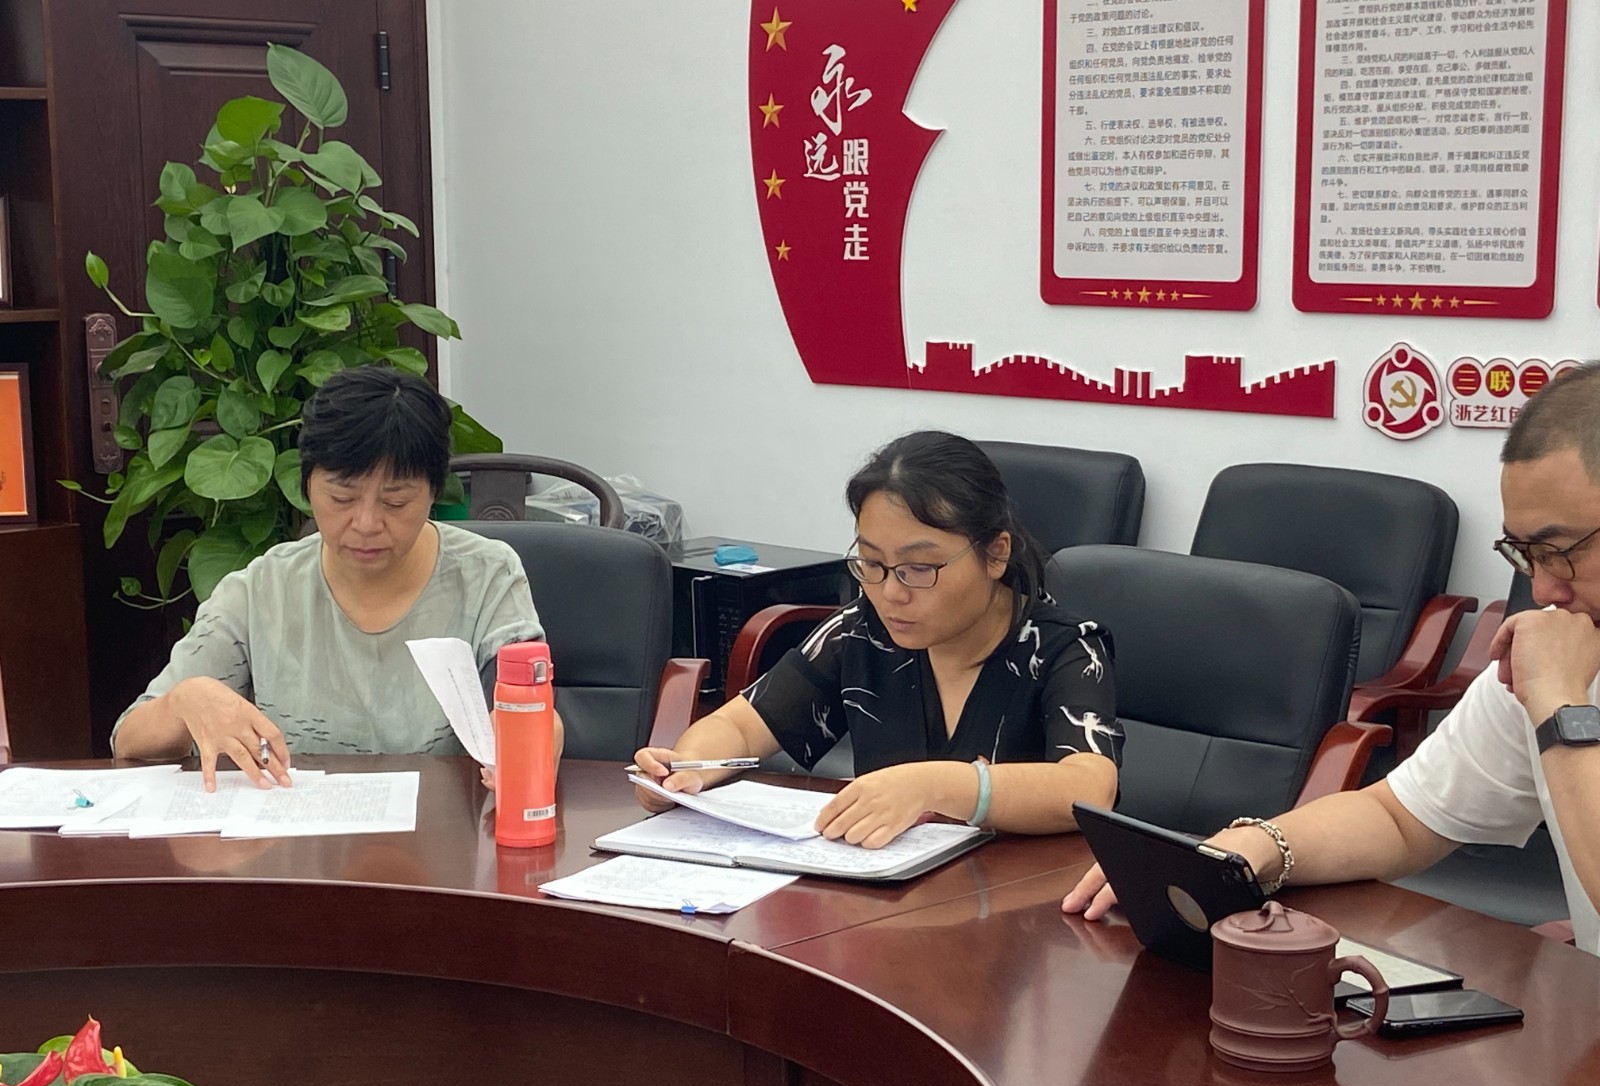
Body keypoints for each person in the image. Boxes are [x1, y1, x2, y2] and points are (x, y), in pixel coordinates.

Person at [1064, 362, 1600, 956]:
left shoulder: (1555, 680)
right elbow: (1399, 818)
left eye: (1560, 551)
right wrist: (1250, 849)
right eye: (1524, 554)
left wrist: (1562, 707)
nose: (1544, 591)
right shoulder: (1552, 656)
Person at [632, 430, 1123, 847]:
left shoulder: (1065, 648)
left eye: (919, 568)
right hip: (882, 901)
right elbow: (741, 727)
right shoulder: (862, 631)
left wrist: (936, 785)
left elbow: (1087, 788)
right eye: (872, 563)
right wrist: (688, 769)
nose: (891, 594)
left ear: (995, 554)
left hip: (1020, 907)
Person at [113, 365, 562, 788]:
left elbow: (536, 708)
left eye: (396, 502)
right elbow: (128, 741)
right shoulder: (262, 590)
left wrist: (526, 748)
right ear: (307, 485)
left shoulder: (487, 575)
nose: (366, 523)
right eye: (342, 498)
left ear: (433, 493)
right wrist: (186, 700)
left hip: (443, 833)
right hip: (299, 837)